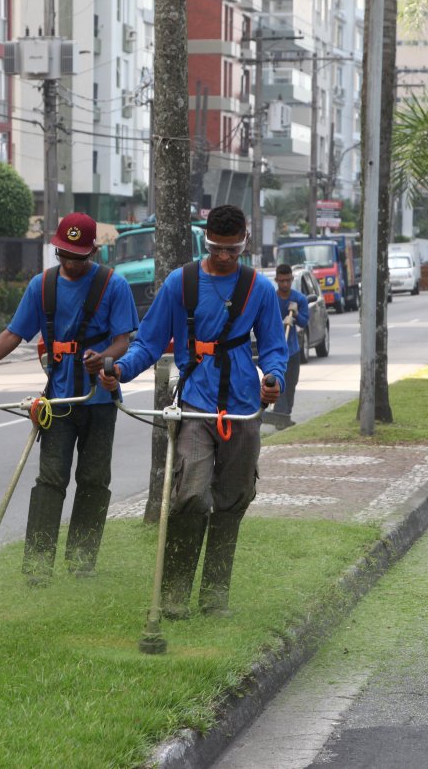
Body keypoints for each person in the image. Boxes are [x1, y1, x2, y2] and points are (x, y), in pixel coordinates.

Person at [100, 205, 287, 618]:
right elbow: (148, 343)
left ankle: (214, 597)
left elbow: (274, 346)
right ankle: (173, 596)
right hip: (194, 405)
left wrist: (273, 377)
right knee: (190, 496)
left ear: (245, 243)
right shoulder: (179, 283)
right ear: (207, 242)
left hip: (242, 408)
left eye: (233, 250)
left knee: (233, 499)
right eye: (218, 248)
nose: (224, 257)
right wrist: (121, 372)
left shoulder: (259, 289)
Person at [0, 213, 138, 584]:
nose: (70, 263)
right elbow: (12, 334)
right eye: (63, 254)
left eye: (78, 257)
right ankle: (37, 568)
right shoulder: (42, 286)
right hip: (58, 401)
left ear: (93, 252)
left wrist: (106, 358)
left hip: (98, 399)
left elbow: (122, 340)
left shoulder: (114, 285)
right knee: (50, 480)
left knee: (94, 480)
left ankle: (82, 563)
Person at [267, 263, 308, 427]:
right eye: (282, 281)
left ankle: (285, 415)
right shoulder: (272, 299)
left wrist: (296, 314)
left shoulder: (299, 299)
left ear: (292, 279)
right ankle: (280, 418)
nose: (285, 284)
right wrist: (280, 322)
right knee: (279, 383)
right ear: (276, 280)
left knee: (291, 384)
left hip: (292, 350)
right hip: (276, 350)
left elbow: (304, 322)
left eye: (288, 280)